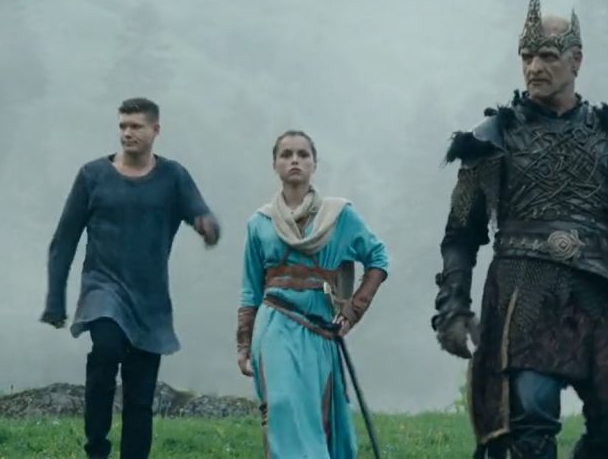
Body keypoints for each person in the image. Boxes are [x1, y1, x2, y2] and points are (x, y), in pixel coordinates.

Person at [431, 0, 608, 459]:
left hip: (598, 290)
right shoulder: (493, 139)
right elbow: (461, 236)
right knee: (529, 423)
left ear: (576, 60)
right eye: (526, 57)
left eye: (548, 56)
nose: (534, 67)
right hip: (523, 291)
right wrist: (453, 307)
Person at [40, 97, 221, 459]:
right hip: (102, 289)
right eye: (122, 125)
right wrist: (55, 301)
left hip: (150, 301)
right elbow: (64, 240)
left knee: (140, 395)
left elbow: (200, 212)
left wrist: (208, 227)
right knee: (105, 353)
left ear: (155, 130)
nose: (127, 133)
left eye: (136, 126)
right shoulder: (92, 176)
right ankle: (96, 447)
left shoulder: (173, 177)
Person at [235, 130, 388, 458]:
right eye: (286, 154)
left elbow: (378, 258)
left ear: (314, 163)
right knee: (283, 406)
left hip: (320, 332)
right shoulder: (259, 223)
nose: (295, 160)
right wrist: (243, 343)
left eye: (303, 154)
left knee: (318, 418)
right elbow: (250, 287)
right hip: (275, 324)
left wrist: (353, 309)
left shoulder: (340, 216)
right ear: (275, 164)